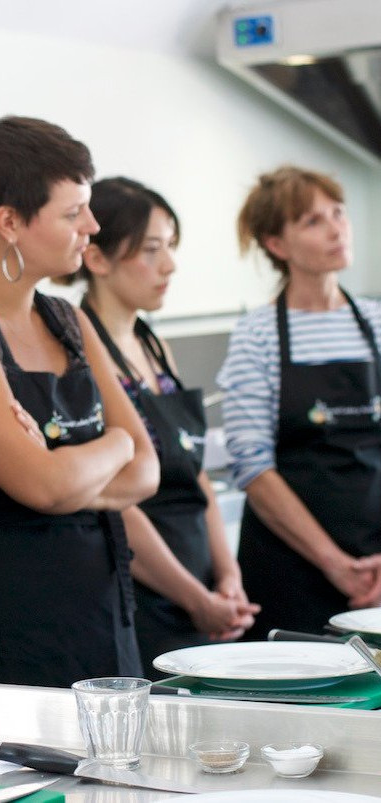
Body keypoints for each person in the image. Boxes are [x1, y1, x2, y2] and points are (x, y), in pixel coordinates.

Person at [0, 117, 160, 688]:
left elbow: (146, 470)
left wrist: (68, 474)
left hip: (99, 608)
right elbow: (44, 487)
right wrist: (111, 446)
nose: (92, 226)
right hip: (3, 622)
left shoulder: (69, 320)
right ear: (10, 222)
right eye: (74, 212)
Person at [75, 177, 258, 676]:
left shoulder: (155, 347)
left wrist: (228, 574)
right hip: (144, 594)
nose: (170, 265)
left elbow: (195, 471)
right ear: (96, 258)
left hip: (202, 591)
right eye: (152, 249)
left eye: (171, 248)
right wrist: (194, 596)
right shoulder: (82, 355)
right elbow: (118, 501)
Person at [218, 166, 381, 638]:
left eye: (338, 213)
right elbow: (252, 467)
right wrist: (335, 564)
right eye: (313, 221)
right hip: (294, 573)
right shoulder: (257, 334)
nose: (337, 229)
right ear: (277, 245)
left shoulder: (375, 322)